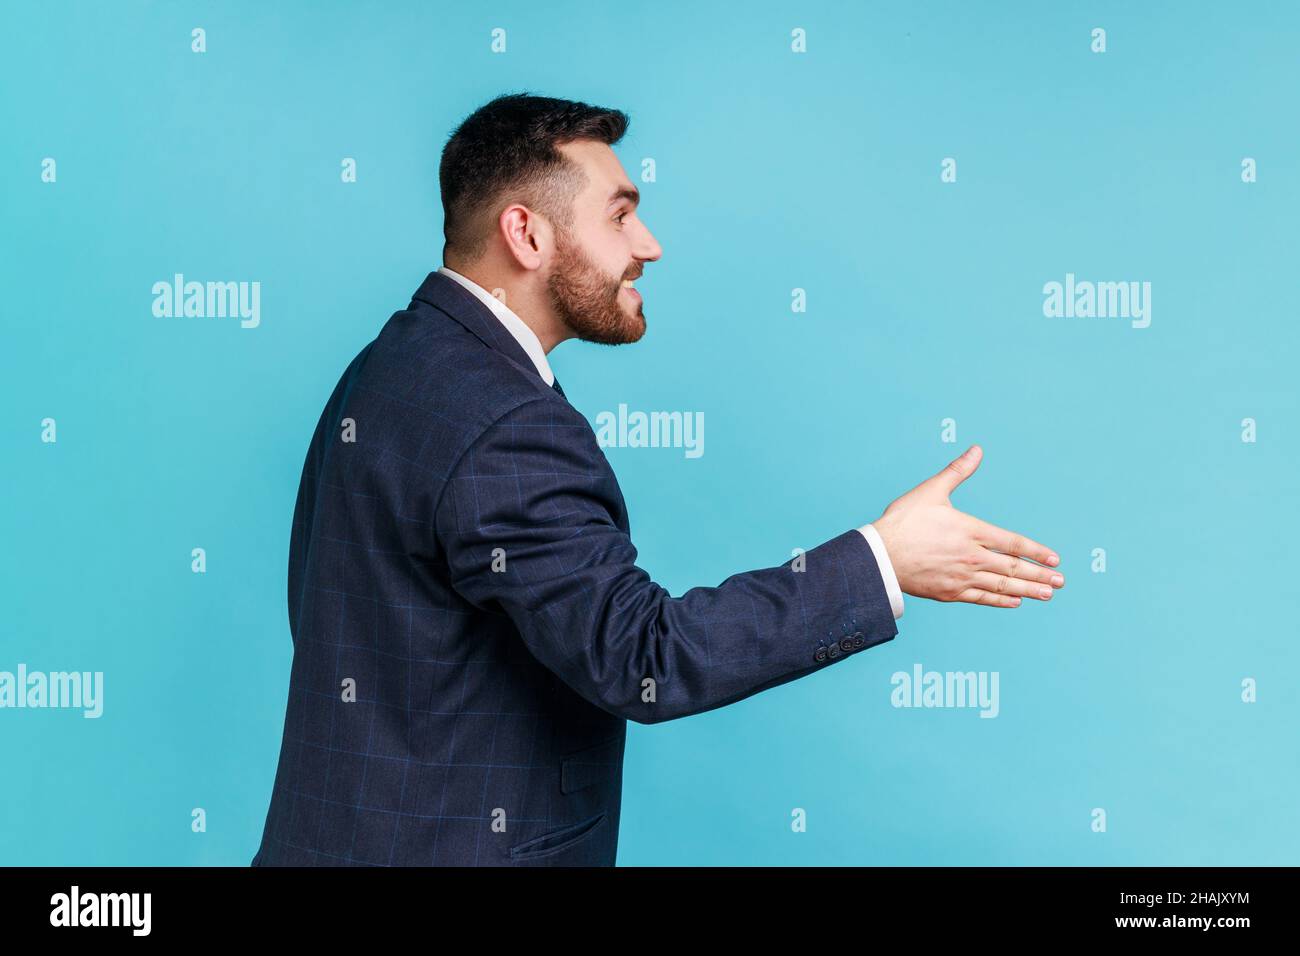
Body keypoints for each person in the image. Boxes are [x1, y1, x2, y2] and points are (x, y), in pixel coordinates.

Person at [251, 92, 1065, 867]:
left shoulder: (389, 364)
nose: (649, 244)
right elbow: (644, 655)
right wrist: (883, 559)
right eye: (620, 214)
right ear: (526, 235)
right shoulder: (507, 424)